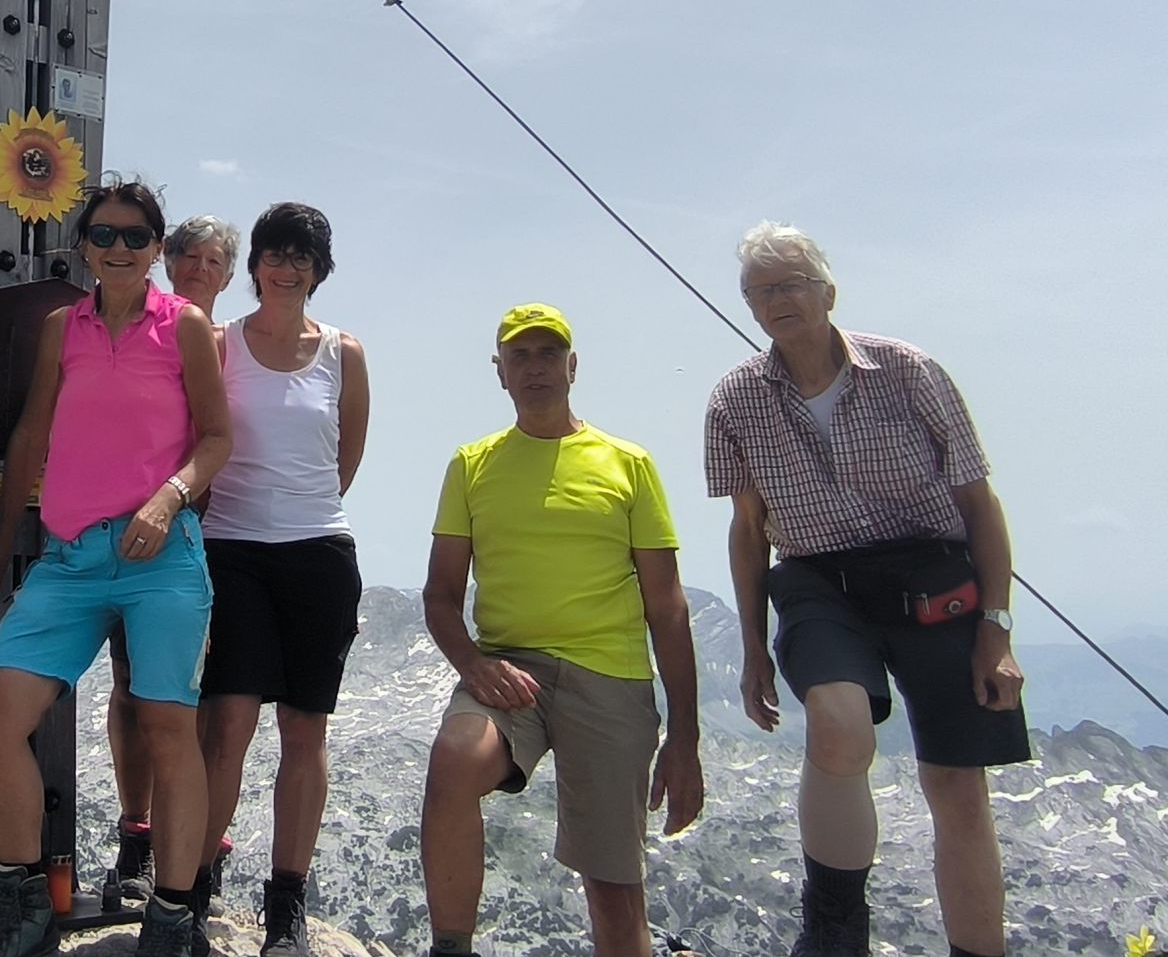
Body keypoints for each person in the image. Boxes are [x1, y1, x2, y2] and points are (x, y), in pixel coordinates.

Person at [705, 223, 1026, 957]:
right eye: (760, 292)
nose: (776, 300)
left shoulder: (909, 372)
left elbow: (979, 503)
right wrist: (754, 647)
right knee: (840, 723)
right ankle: (834, 931)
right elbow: (749, 529)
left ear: (828, 291)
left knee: (955, 783)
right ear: (750, 309)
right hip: (818, 579)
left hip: (934, 573)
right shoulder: (733, 400)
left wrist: (996, 634)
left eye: (789, 284)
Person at [0, 181, 233, 957]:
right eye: (105, 235)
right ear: (83, 244)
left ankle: (174, 917)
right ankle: (24, 904)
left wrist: (167, 500)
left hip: (162, 555)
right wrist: (2, 538)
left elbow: (216, 438)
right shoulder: (61, 329)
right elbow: (30, 434)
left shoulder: (184, 328)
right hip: (71, 557)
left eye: (137, 237)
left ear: (157, 249)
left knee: (168, 729)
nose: (119, 249)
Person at [421, 304, 703, 957]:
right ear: (500, 373)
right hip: (507, 668)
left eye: (549, 354)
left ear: (573, 367)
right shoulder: (472, 464)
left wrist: (684, 734)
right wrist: (472, 664)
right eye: (520, 356)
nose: (536, 368)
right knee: (455, 761)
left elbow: (668, 607)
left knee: (612, 887)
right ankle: (451, 947)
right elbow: (440, 594)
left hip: (610, 677)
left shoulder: (629, 464)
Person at [195, 203, 370, 957]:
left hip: (317, 552)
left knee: (305, 729)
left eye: (302, 257)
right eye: (275, 253)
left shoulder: (345, 352)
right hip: (230, 547)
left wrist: (301, 512)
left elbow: (345, 457)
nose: (287, 268)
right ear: (255, 264)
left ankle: (286, 909)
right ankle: (191, 886)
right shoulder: (219, 343)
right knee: (226, 724)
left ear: (319, 270)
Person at [108, 213, 242, 903]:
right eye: (185, 254)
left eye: (212, 258)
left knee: (211, 696)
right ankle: (137, 833)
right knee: (134, 686)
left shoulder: (241, 345)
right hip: (145, 529)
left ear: (228, 272)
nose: (196, 266)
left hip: (228, 536)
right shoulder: (144, 329)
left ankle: (196, 850)